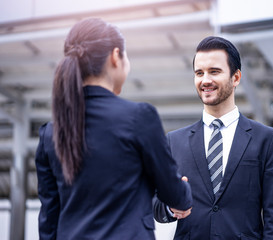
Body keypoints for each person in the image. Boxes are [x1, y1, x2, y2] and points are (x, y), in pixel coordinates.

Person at [35, 18, 192, 240]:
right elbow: (171, 191)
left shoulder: (50, 134)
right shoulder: (139, 117)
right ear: (115, 57)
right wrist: (183, 193)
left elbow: (49, 222)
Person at [153, 36, 273, 239]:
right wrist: (170, 206)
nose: (205, 80)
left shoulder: (266, 140)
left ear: (236, 78)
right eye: (199, 73)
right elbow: (156, 204)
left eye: (214, 71)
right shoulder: (174, 141)